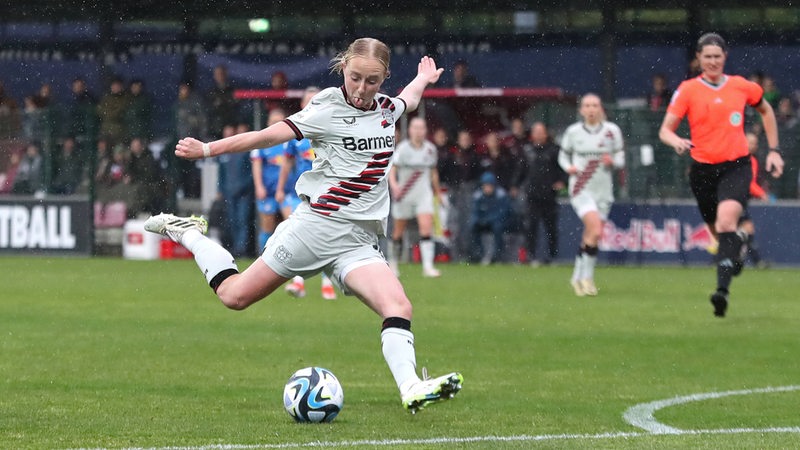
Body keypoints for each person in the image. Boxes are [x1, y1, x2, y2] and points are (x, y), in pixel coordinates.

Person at [143, 38, 462, 413]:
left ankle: (410, 387)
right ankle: (189, 233)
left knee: (398, 305)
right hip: (315, 229)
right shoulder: (326, 107)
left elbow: (407, 99)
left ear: (384, 78)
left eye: (372, 81)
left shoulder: (387, 110)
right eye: (356, 77)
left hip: (358, 241)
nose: (362, 89)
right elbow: (266, 137)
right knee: (234, 296)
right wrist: (208, 149)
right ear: (343, 69)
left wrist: (423, 78)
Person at [658, 32, 784, 318]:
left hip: (736, 166)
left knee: (726, 222)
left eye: (717, 56)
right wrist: (675, 140)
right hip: (702, 171)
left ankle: (721, 293)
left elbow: (767, 111)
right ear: (698, 59)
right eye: (707, 57)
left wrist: (774, 150)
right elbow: (665, 129)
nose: (713, 61)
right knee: (720, 233)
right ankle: (737, 246)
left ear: (725, 57)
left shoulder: (741, 86)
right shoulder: (688, 90)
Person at [274, 86, 338, 299]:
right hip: (300, 193)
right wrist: (280, 188)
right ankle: (299, 282)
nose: (312, 104)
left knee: (325, 238)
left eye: (316, 100)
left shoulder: (332, 130)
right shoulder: (295, 134)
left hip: (327, 193)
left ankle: (326, 283)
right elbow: (286, 164)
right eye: (309, 101)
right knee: (297, 234)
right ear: (302, 105)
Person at [559, 93, 625, 297]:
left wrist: (612, 162)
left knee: (590, 236)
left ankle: (576, 278)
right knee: (595, 230)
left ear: (601, 108)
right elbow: (563, 155)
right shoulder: (573, 132)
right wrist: (569, 167)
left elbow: (621, 158)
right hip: (581, 187)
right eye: (587, 105)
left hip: (603, 190)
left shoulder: (612, 131)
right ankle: (587, 278)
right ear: (581, 110)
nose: (591, 109)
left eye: (595, 105)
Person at [387, 116, 442, 278]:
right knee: (398, 231)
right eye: (415, 128)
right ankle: (393, 264)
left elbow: (433, 172)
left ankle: (428, 267)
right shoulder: (402, 149)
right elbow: (392, 170)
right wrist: (394, 186)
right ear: (410, 130)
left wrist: (437, 192)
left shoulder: (430, 149)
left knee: (426, 228)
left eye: (421, 128)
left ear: (425, 131)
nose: (418, 132)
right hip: (405, 194)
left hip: (423, 194)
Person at [522, 122, 567, 266]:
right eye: (536, 132)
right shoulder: (527, 150)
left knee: (551, 227)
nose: (539, 135)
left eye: (541, 132)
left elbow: (564, 168)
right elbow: (520, 170)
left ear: (546, 134)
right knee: (531, 227)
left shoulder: (554, 150)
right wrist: (514, 185)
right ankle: (531, 255)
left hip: (549, 195)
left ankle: (552, 256)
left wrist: (562, 181)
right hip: (532, 195)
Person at [250, 108, 289, 253]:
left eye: (280, 122)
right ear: (268, 123)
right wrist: (259, 186)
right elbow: (256, 165)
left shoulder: (289, 141)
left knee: (291, 225)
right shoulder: (263, 141)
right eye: (274, 122)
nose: (276, 125)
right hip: (268, 191)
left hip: (287, 192)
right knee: (267, 225)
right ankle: (264, 257)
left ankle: (288, 259)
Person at [468, 171, 511, 265]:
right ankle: (478, 254)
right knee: (473, 227)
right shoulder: (478, 196)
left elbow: (503, 213)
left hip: (497, 222)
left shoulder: (501, 195)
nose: (487, 188)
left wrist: (489, 220)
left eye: (489, 185)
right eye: (485, 185)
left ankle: (497, 256)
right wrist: (479, 220)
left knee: (497, 228)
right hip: (483, 221)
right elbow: (475, 212)